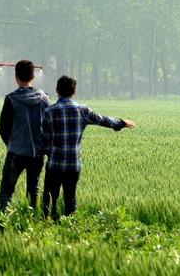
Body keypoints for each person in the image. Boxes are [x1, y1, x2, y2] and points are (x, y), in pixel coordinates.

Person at [42, 75, 136, 221]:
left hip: (54, 164)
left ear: (57, 90)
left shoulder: (49, 112)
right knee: (70, 199)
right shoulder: (83, 110)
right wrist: (121, 123)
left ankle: (47, 225)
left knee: (49, 198)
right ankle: (71, 228)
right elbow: (103, 120)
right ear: (74, 91)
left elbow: (44, 138)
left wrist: (49, 152)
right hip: (74, 165)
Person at [0, 60, 50, 211]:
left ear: (16, 77)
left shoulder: (11, 99)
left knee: (6, 192)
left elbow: (2, 127)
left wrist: (11, 143)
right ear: (33, 76)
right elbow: (48, 126)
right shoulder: (44, 98)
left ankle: (1, 225)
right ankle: (31, 221)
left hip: (16, 153)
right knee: (33, 190)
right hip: (37, 154)